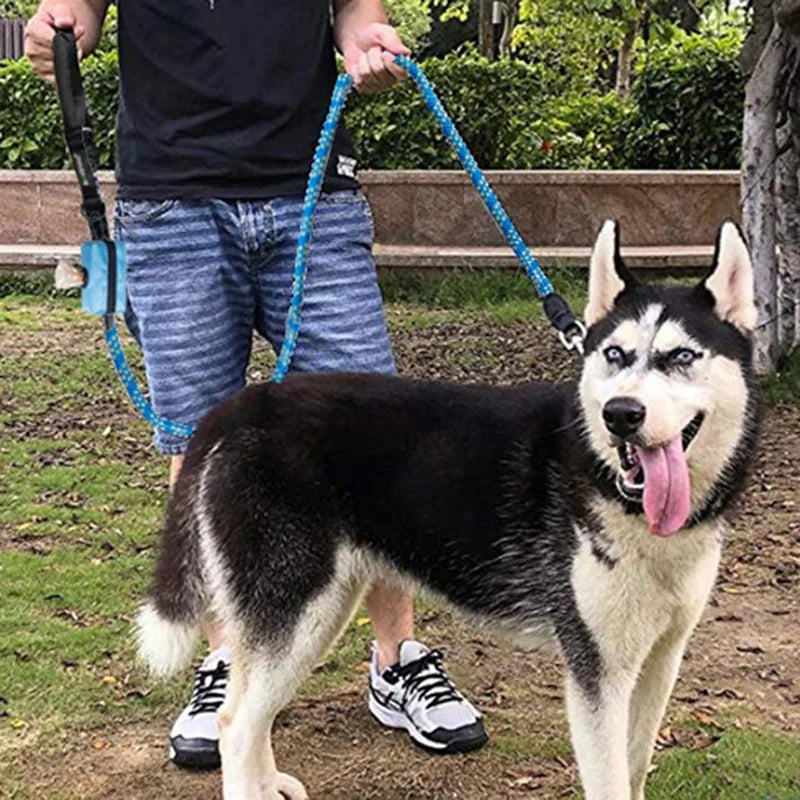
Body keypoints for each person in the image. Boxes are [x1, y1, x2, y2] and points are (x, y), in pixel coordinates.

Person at [26, 0, 488, 769]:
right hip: (171, 204)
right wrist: (55, 32)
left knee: (375, 440)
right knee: (199, 445)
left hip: (312, 192)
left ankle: (397, 659)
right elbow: (75, 13)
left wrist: (365, 43)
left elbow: (354, 13)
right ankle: (226, 666)